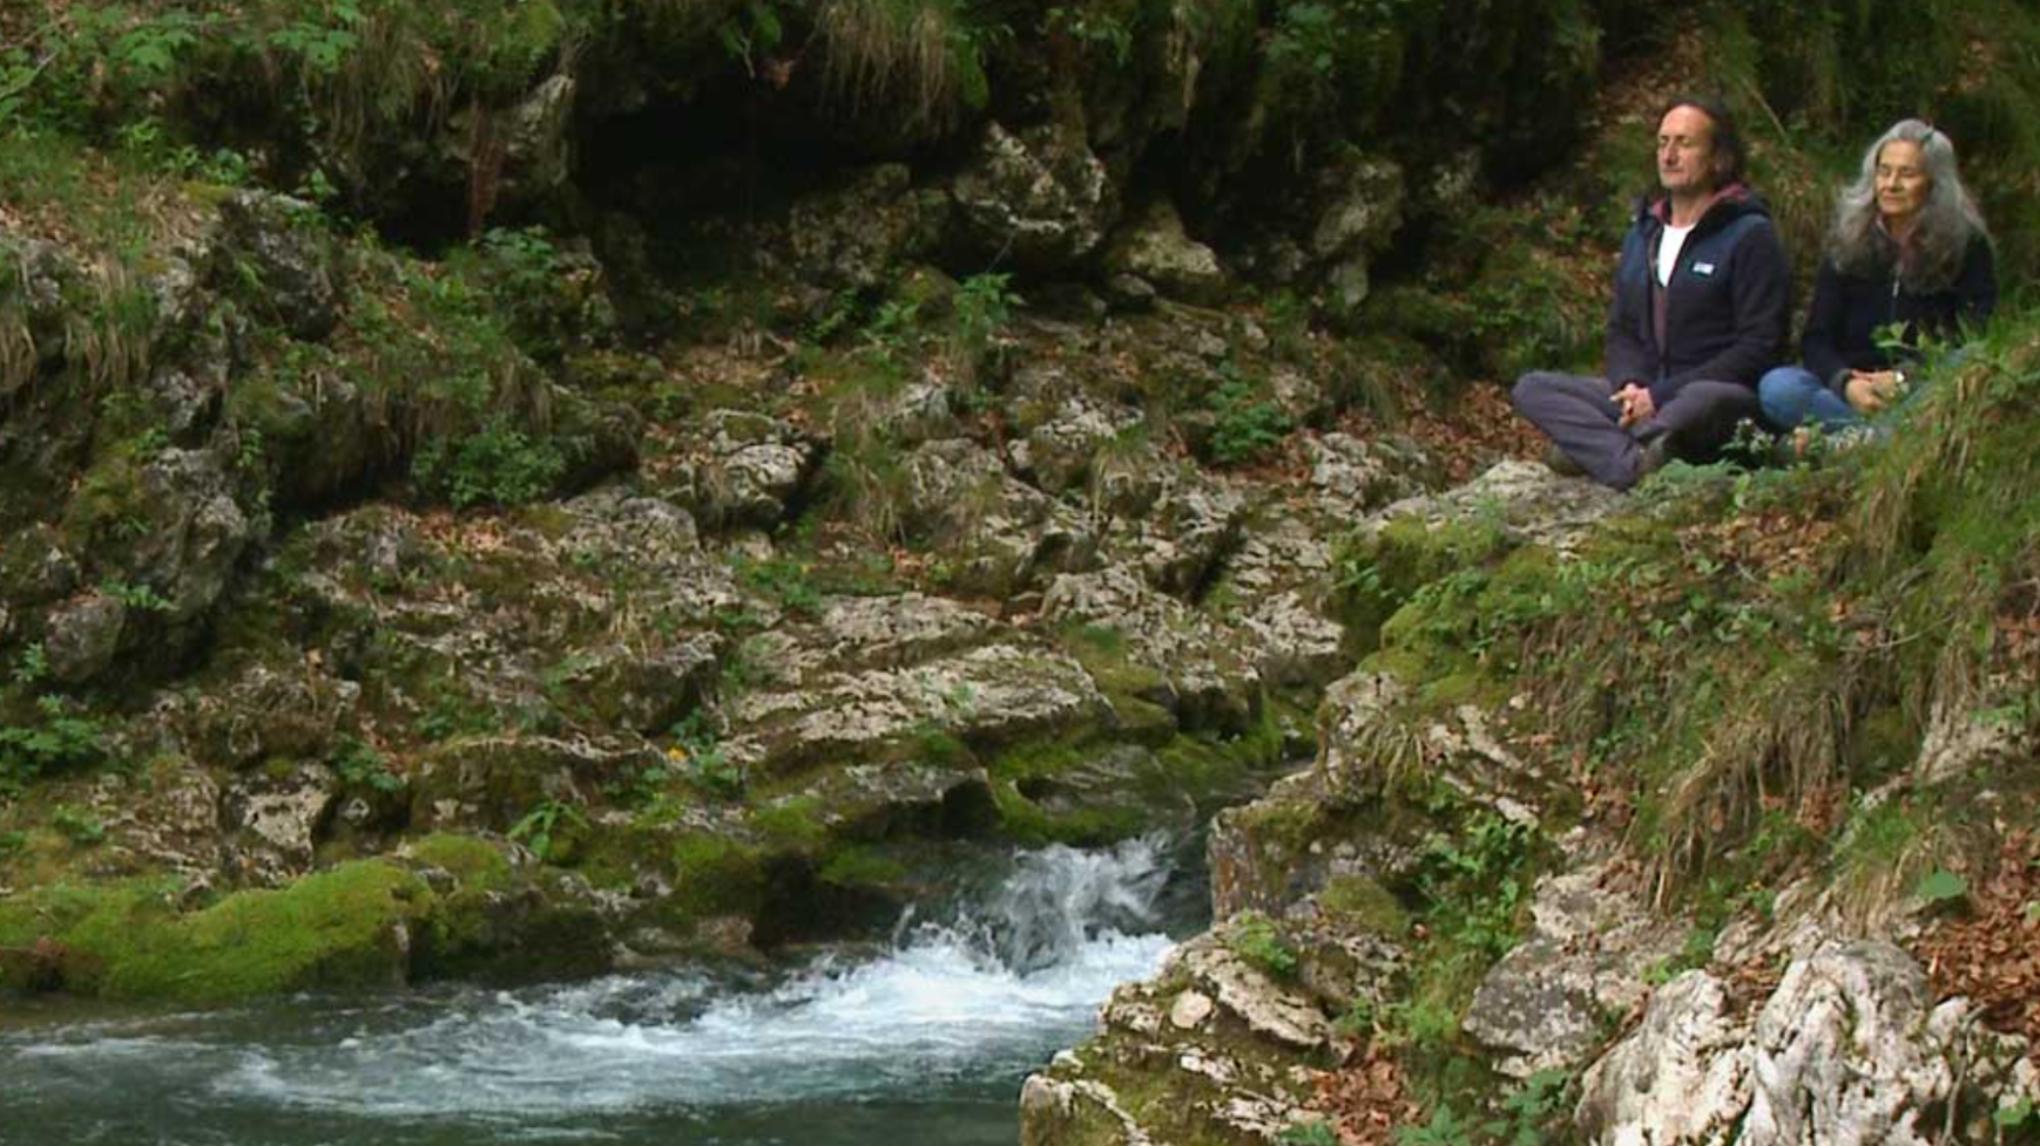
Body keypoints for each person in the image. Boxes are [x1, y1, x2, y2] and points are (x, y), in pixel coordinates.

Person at [1513, 96, 1791, 489]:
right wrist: (1630, 387)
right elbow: (1622, 329)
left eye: (1684, 143)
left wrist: (1659, 396)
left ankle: (1601, 450)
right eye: (1663, 143)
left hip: (1713, 396)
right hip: (1646, 394)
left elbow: (1759, 346)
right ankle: (1636, 458)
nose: (1669, 155)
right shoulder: (1644, 233)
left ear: (1719, 158)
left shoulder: (1749, 235)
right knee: (1534, 388)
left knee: (1703, 401)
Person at [1757, 119, 1996, 437]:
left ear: (1934, 183)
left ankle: (1853, 443)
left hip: (1922, 389)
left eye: (1907, 174)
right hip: (1850, 393)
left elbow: (1973, 332)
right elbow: (1817, 338)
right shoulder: (1848, 239)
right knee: (1778, 386)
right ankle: (1883, 441)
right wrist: (1846, 383)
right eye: (1884, 172)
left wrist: (1904, 379)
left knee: (1969, 359)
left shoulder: (1965, 244)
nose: (1891, 184)